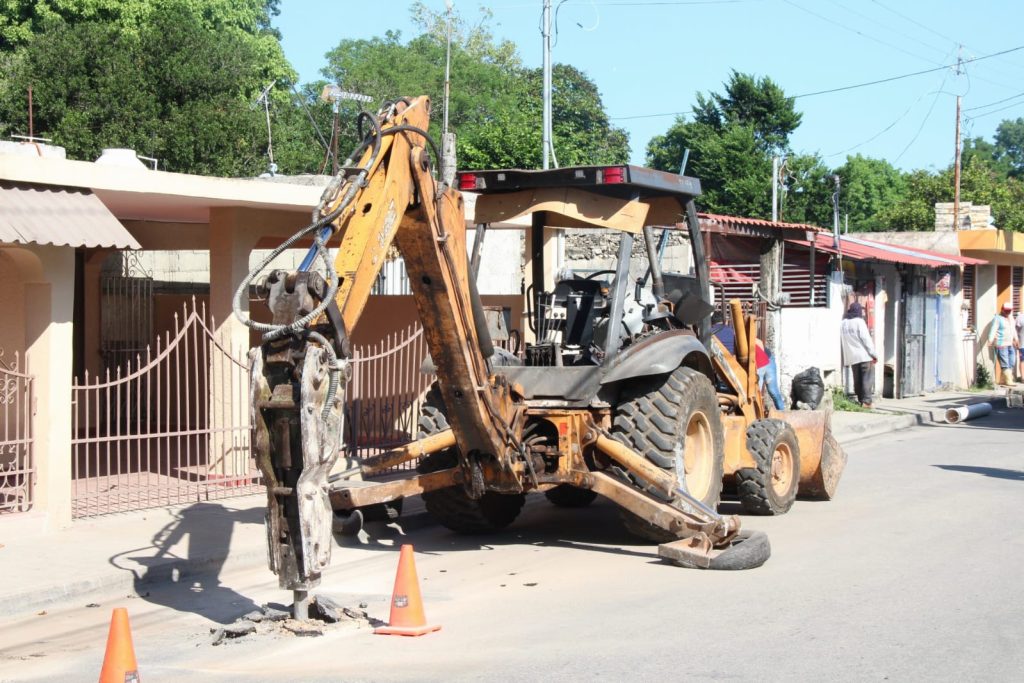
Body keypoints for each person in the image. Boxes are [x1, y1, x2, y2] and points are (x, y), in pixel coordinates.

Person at [840, 302, 877, 408]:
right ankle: (867, 402)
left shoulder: (843, 323)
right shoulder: (859, 322)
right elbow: (866, 340)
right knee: (867, 379)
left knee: (857, 380)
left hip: (852, 357)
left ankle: (861, 400)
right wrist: (874, 354)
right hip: (864, 356)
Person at [987, 301, 1019, 385]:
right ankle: (1008, 380)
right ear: (1002, 309)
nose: (1008, 312)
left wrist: (1016, 339)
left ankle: (1002, 380)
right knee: (1005, 362)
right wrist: (990, 340)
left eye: (1009, 310)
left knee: (1012, 361)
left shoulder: (1011, 318)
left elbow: (1013, 329)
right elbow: (993, 330)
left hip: (1010, 343)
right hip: (1001, 344)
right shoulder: (997, 318)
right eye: (1006, 310)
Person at [1016, 308, 1024, 381]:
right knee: (1022, 360)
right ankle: (1023, 378)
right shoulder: (1020, 317)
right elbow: (1015, 330)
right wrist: (1016, 340)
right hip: (1022, 344)